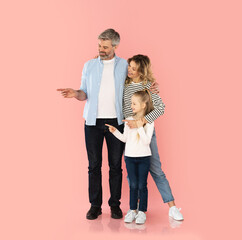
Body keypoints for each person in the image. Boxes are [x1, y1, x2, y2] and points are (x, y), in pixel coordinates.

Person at [57, 29, 127, 219]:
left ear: (115, 46)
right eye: (99, 46)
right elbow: (84, 93)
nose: (101, 49)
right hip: (92, 123)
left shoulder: (125, 66)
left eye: (105, 47)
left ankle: (115, 205)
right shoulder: (88, 66)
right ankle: (95, 205)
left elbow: (135, 86)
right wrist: (75, 93)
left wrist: (152, 86)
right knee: (94, 165)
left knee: (115, 166)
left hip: (117, 123)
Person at [122, 54, 183, 220]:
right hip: (129, 133)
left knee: (156, 170)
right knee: (131, 175)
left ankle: (172, 207)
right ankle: (134, 209)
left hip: (145, 133)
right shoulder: (124, 84)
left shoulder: (148, 87)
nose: (130, 70)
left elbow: (160, 108)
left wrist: (142, 122)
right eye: (129, 67)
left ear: (142, 71)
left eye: (134, 69)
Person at [106, 90, 155, 225]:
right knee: (133, 185)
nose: (131, 105)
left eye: (134, 103)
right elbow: (125, 138)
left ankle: (142, 212)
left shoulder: (149, 122)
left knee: (142, 185)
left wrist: (139, 126)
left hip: (144, 157)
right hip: (129, 157)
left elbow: (146, 141)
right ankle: (132, 210)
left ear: (143, 105)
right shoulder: (129, 119)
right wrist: (115, 131)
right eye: (131, 103)